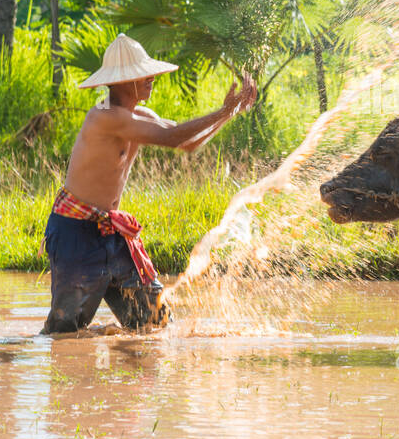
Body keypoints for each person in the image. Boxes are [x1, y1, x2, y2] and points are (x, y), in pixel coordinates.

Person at [40, 33, 256, 334]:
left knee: (155, 322)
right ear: (123, 81)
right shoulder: (103, 117)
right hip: (76, 234)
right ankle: (14, 351)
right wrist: (223, 111)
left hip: (111, 232)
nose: (152, 78)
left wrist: (229, 113)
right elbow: (175, 135)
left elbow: (186, 142)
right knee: (64, 331)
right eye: (144, 74)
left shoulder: (138, 115)